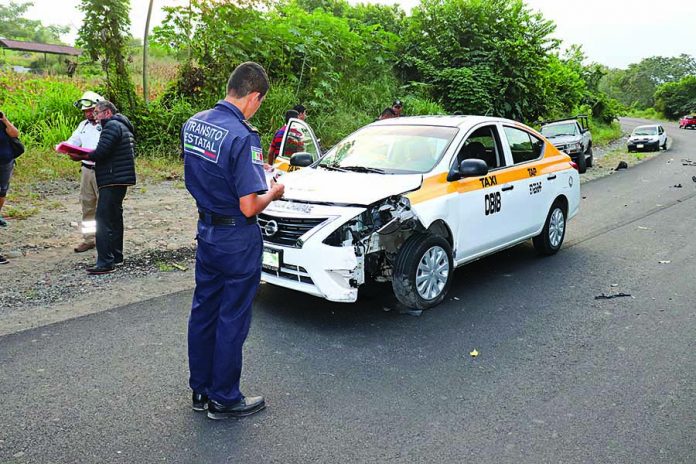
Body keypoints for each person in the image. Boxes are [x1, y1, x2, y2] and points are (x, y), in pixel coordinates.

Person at [182, 61, 284, 420]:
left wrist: (254, 173)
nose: (258, 108)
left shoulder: (194, 123)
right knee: (232, 317)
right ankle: (224, 398)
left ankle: (200, 390)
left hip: (206, 230)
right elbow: (248, 205)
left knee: (204, 310)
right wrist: (273, 190)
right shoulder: (243, 136)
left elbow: (209, 171)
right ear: (254, 96)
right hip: (236, 238)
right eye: (260, 102)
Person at [65, 100, 136, 275]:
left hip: (111, 178)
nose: (95, 116)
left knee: (102, 220)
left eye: (97, 112)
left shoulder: (111, 126)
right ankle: (116, 256)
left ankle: (105, 261)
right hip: (119, 178)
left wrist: (80, 155)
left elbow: (101, 152)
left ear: (107, 113)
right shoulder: (122, 125)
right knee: (114, 217)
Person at [64, 91, 104, 253]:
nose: (88, 114)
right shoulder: (83, 125)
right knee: (87, 206)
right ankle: (89, 239)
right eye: (86, 111)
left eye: (91, 110)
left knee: (105, 207)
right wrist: (68, 148)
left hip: (103, 170)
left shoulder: (108, 125)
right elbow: (73, 141)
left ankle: (105, 239)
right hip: (87, 170)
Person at [0, 110, 20, 264]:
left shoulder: (1, 121)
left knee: (2, 193)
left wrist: (5, 119)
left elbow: (15, 134)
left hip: (5, 162)